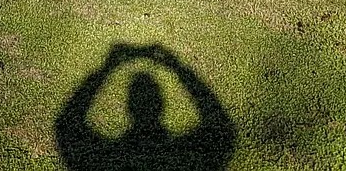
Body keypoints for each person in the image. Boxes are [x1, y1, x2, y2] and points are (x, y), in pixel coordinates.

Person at [54, 43, 235, 171]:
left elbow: (66, 124)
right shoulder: (185, 159)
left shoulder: (105, 161)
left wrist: (108, 66)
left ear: (129, 108)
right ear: (161, 105)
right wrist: (176, 66)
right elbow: (222, 127)